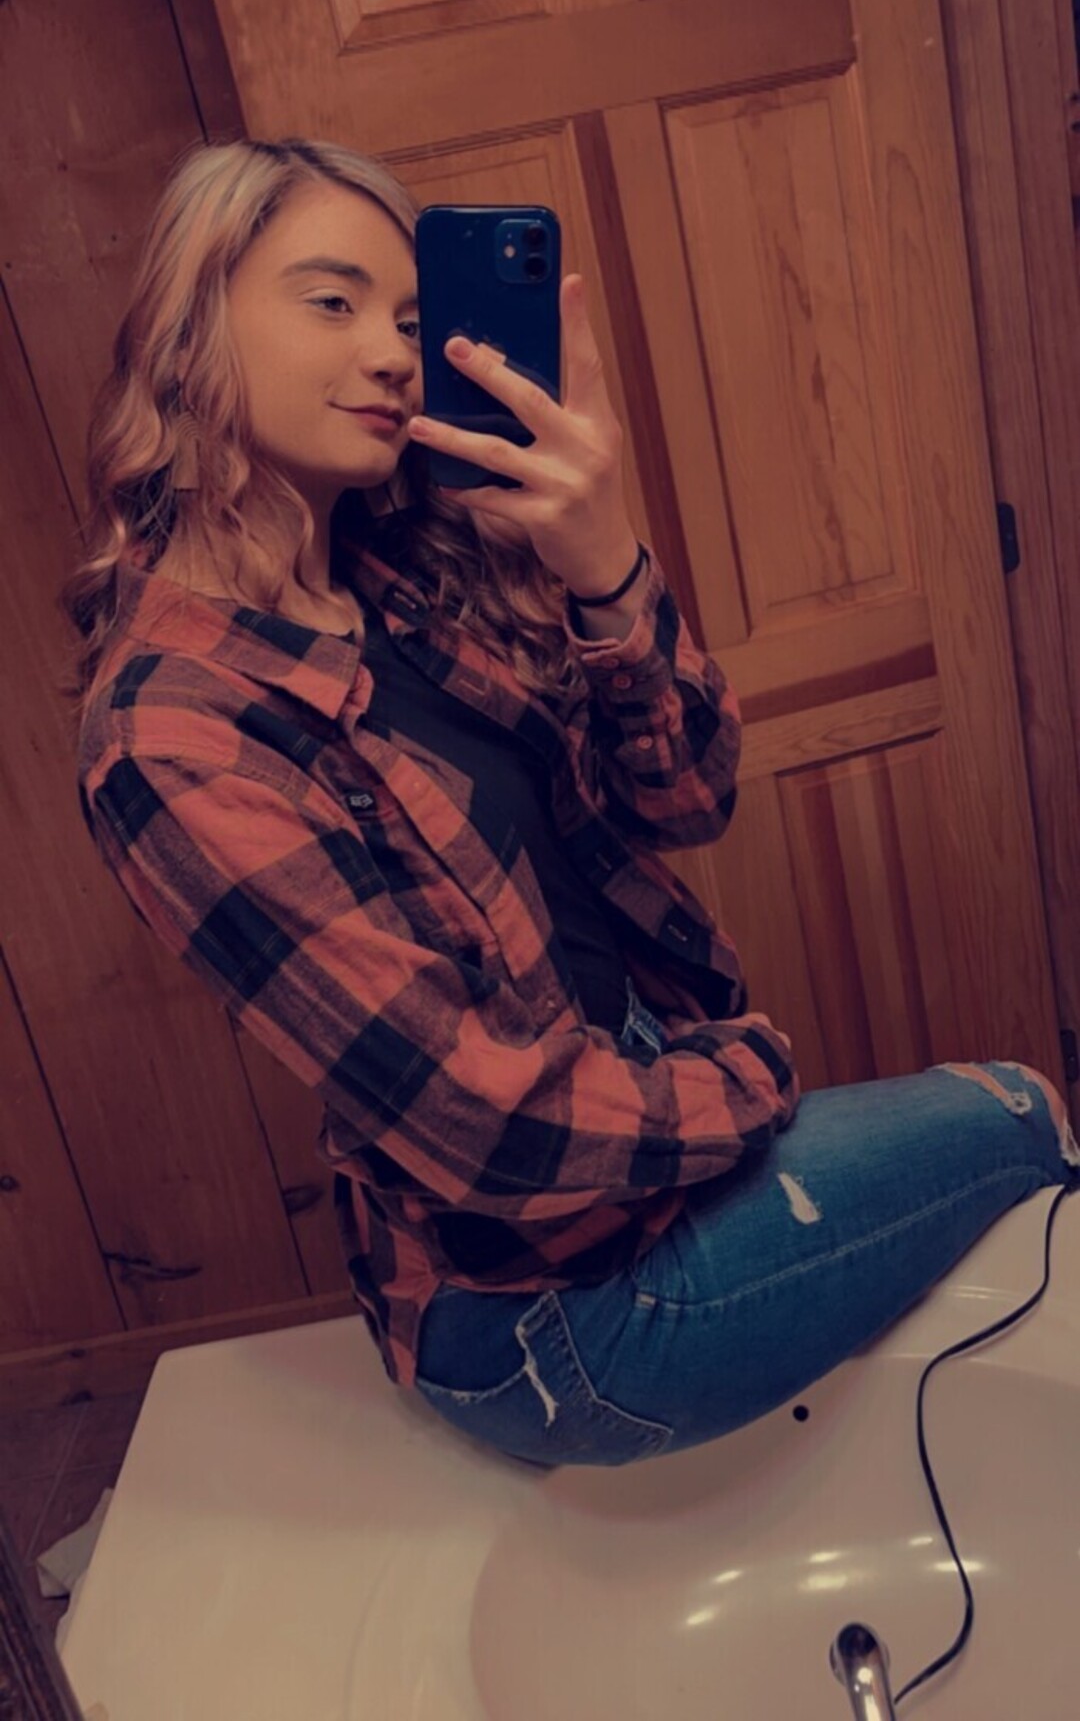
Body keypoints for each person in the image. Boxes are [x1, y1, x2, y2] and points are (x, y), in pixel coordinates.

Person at [61, 137, 1080, 1469]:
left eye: (411, 320)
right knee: (1021, 1111)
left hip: (641, 1122)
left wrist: (605, 562)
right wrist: (752, 1080)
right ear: (193, 329)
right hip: (553, 1313)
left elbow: (690, 793)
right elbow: (489, 1124)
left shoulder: (398, 573)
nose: (390, 355)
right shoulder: (169, 731)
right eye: (332, 301)